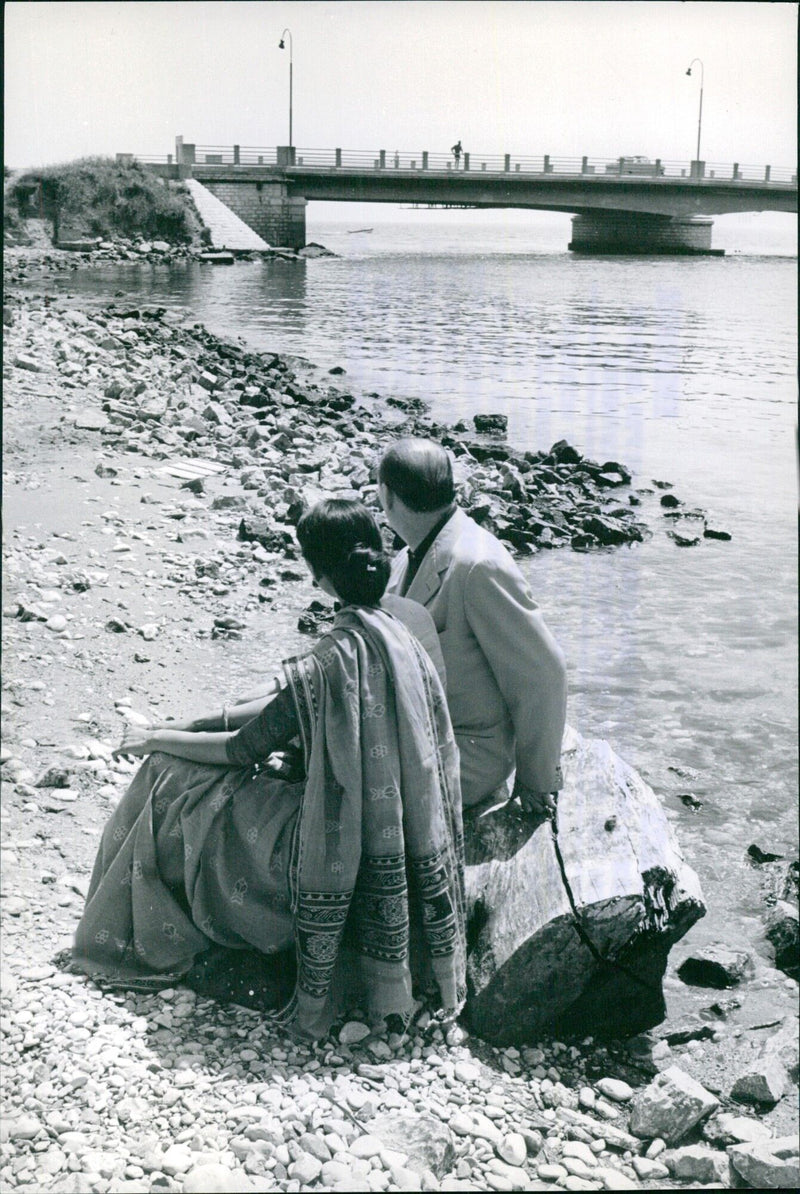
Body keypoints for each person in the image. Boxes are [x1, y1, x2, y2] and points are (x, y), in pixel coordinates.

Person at [72, 499, 466, 1041]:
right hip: (400, 849)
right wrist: (200, 721)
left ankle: (148, 933)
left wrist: (158, 737)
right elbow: (281, 711)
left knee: (170, 776)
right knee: (203, 766)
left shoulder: (328, 660)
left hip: (332, 858)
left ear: (316, 575)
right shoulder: (404, 631)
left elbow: (241, 750)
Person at [378, 438, 567, 814]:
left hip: (466, 755)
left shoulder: (478, 566)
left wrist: (534, 782)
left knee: (340, 793)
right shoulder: (407, 555)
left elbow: (544, 675)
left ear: (387, 496)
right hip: (417, 738)